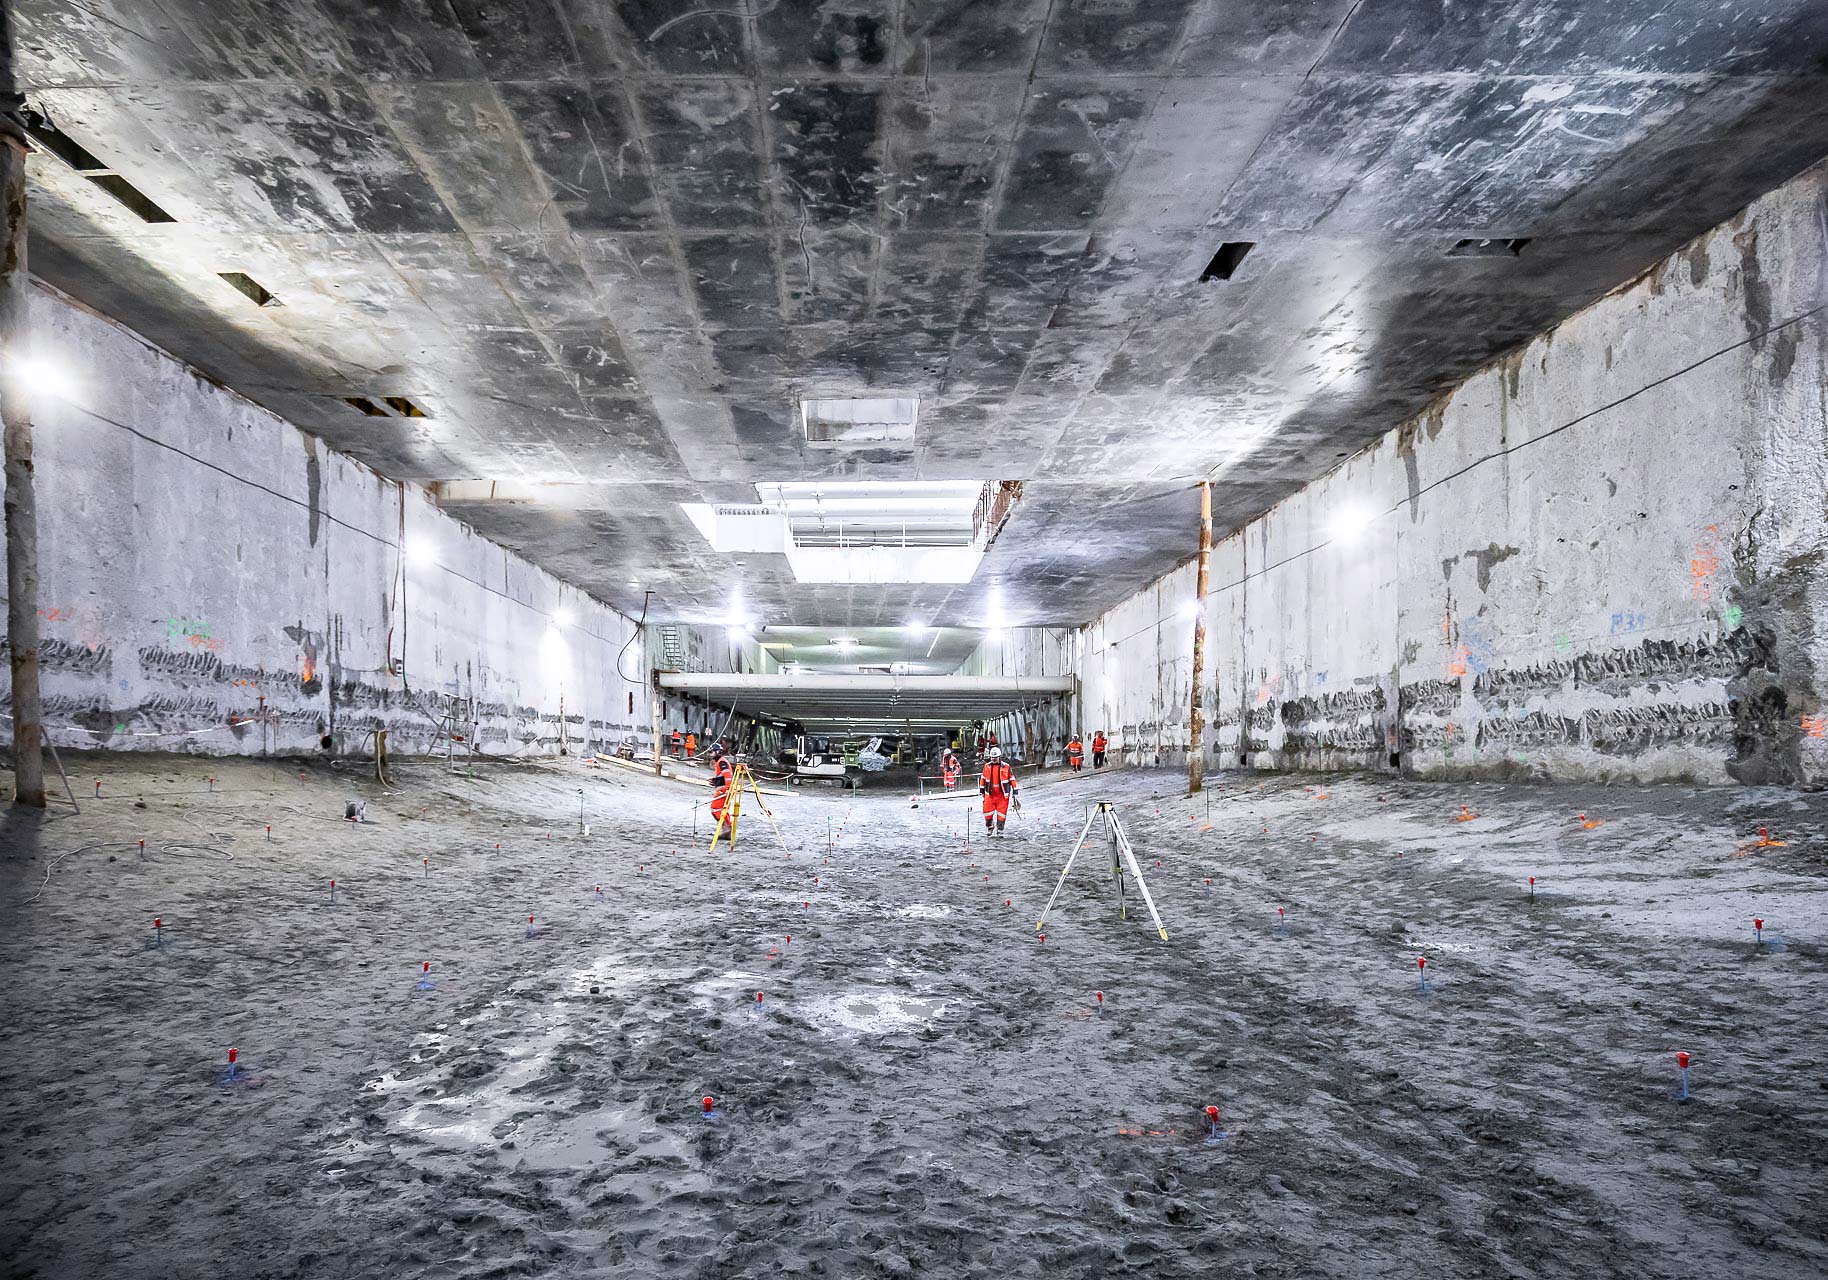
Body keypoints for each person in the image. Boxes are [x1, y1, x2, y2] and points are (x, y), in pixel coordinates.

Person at [979, 746, 1017, 837]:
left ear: (999, 757)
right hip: (990, 794)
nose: (993, 759)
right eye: (992, 757)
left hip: (1002, 795)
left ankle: (1000, 829)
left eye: (995, 758)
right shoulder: (986, 766)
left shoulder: (1006, 767)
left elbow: (1012, 778)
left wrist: (1015, 790)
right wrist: (981, 789)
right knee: (987, 812)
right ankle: (990, 827)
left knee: (1001, 814)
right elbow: (983, 778)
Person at [709, 741, 735, 840]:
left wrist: (727, 789)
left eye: (712, 752)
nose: (711, 754)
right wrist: (714, 781)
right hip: (724, 789)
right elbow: (722, 776)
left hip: (724, 790)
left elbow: (727, 776)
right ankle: (727, 829)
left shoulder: (722, 762)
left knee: (715, 808)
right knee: (723, 810)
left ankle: (727, 828)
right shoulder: (720, 762)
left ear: (717, 752)